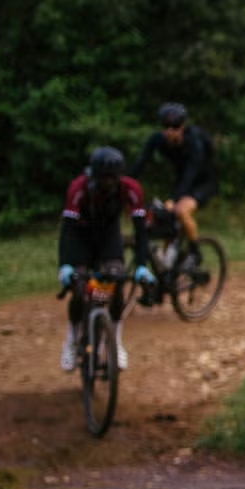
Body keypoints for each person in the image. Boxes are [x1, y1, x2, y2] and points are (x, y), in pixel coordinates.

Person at [57, 147, 152, 373]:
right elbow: (67, 230)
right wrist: (65, 265)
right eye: (102, 179)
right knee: (80, 287)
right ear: (93, 175)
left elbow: (141, 231)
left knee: (116, 282)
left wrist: (141, 266)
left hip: (109, 238)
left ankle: (115, 341)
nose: (107, 184)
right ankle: (72, 339)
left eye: (112, 179)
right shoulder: (78, 188)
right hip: (80, 238)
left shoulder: (131, 189)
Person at [131, 103, 217, 245]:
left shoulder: (194, 143)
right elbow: (141, 163)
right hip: (182, 180)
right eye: (166, 126)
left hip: (203, 183)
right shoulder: (158, 140)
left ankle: (194, 251)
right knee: (166, 218)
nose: (170, 131)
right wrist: (126, 182)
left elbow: (190, 173)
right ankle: (169, 256)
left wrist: (174, 199)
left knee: (181, 211)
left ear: (182, 126)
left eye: (175, 126)